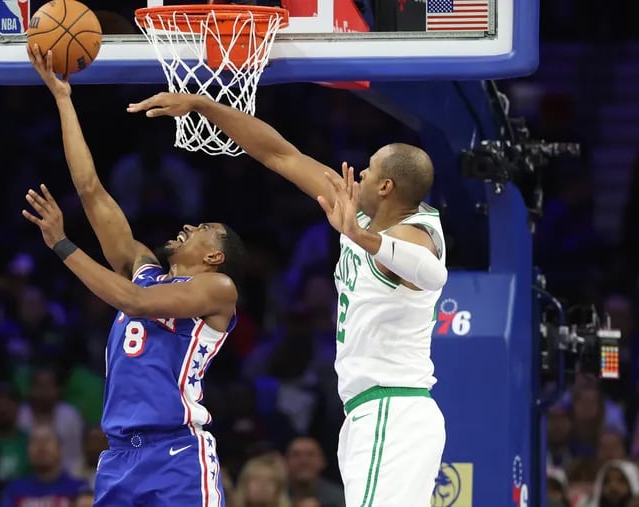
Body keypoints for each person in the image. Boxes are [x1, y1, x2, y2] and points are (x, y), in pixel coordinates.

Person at [128, 92, 448, 505]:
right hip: (370, 410)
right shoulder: (358, 211)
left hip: (393, 408)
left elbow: (432, 271)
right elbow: (280, 155)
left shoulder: (413, 233)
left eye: (368, 172)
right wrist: (203, 106)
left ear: (386, 186)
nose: (359, 175)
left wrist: (361, 237)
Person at [26, 45, 246, 506]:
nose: (187, 226)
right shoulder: (143, 269)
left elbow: (136, 304)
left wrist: (63, 245)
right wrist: (64, 99)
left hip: (177, 454)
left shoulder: (216, 291)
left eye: (202, 230)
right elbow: (91, 191)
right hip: (119, 458)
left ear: (215, 258)